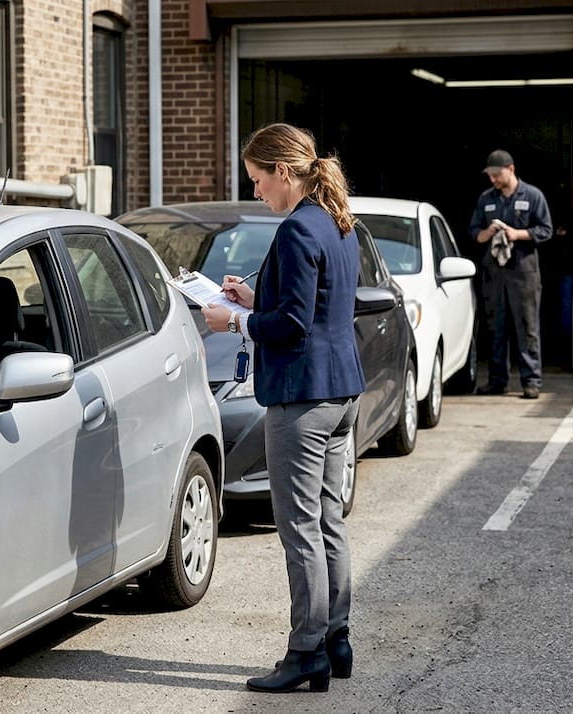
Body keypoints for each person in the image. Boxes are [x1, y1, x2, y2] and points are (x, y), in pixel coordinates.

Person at [200, 123, 365, 694]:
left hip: (302, 395)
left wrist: (235, 320)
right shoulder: (338, 222)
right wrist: (254, 296)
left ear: (285, 172)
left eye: (258, 179)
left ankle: (305, 652)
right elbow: (319, 306)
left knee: (299, 528)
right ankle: (336, 640)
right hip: (342, 391)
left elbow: (292, 325)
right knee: (328, 520)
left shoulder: (297, 229)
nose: (256, 192)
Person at [468, 149, 553, 399]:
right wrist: (486, 234)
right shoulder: (486, 199)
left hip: (524, 272)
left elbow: (546, 229)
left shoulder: (533, 196)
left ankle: (531, 381)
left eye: (497, 174)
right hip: (494, 274)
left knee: (526, 326)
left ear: (511, 169)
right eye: (490, 175)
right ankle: (497, 381)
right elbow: (474, 231)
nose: (493, 179)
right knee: (496, 327)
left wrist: (518, 234)